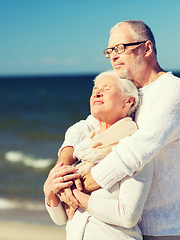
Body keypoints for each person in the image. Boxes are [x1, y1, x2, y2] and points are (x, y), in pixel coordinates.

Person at [53, 20, 180, 240]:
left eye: (121, 48)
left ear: (147, 48)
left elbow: (134, 153)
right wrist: (62, 164)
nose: (114, 56)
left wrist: (77, 187)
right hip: (134, 229)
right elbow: (87, 125)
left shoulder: (176, 91)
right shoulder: (132, 93)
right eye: (110, 51)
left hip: (171, 228)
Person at [44, 71, 153, 240]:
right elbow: (61, 219)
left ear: (128, 101)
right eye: (95, 89)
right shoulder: (84, 149)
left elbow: (127, 215)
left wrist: (77, 196)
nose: (97, 92)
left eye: (106, 88)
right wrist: (49, 193)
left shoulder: (132, 149)